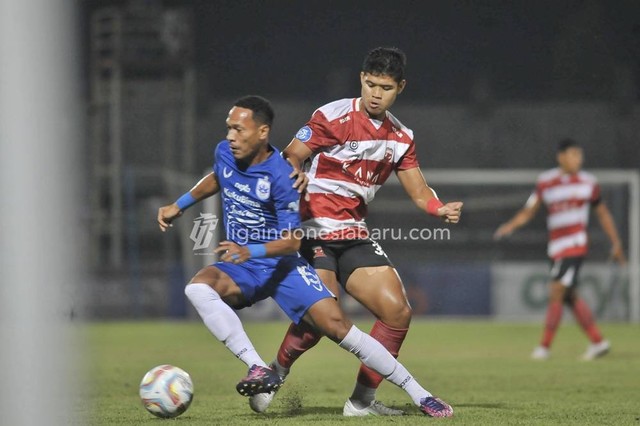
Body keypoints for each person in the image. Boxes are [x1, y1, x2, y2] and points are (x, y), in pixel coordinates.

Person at [157, 95, 454, 417]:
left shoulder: (283, 178)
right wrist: (179, 205)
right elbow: (218, 176)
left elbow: (291, 242)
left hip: (284, 265)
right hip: (247, 264)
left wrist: (249, 250)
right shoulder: (225, 152)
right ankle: (258, 368)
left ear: (262, 132)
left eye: (239, 130)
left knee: (337, 326)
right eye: (229, 128)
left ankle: (419, 395)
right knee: (198, 287)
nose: (230, 136)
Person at [249, 47, 463, 417]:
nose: (376, 93)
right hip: (311, 227)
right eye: (370, 84)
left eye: (385, 87)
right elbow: (292, 154)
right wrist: (293, 172)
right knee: (322, 316)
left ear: (400, 88)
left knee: (397, 312)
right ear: (361, 79)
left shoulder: (401, 137)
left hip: (352, 234)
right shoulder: (332, 116)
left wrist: (437, 207)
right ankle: (275, 374)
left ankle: (361, 403)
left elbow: (419, 191)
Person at [494, 138, 626, 360]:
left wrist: (616, 242)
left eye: (580, 155)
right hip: (556, 247)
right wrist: (510, 225)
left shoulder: (588, 183)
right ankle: (598, 341)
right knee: (569, 296)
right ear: (561, 157)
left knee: (556, 291)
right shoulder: (547, 182)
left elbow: (602, 213)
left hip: (575, 245)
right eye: (573, 155)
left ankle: (543, 348)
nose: (578, 159)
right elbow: (530, 210)